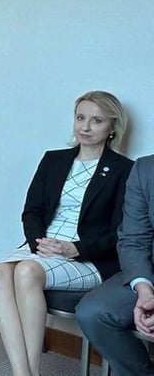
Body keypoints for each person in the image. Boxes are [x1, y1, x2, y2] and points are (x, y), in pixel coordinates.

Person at [0, 90, 133, 376]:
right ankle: (23, 373)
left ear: (112, 127)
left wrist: (76, 248)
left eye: (96, 121)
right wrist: (38, 242)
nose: (85, 127)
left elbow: (121, 231)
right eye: (80, 118)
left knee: (26, 272)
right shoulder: (53, 160)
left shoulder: (124, 169)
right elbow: (32, 211)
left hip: (87, 257)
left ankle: (31, 372)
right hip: (44, 247)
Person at [77, 154, 154, 375]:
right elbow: (133, 238)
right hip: (149, 269)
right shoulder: (145, 169)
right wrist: (143, 288)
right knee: (93, 312)